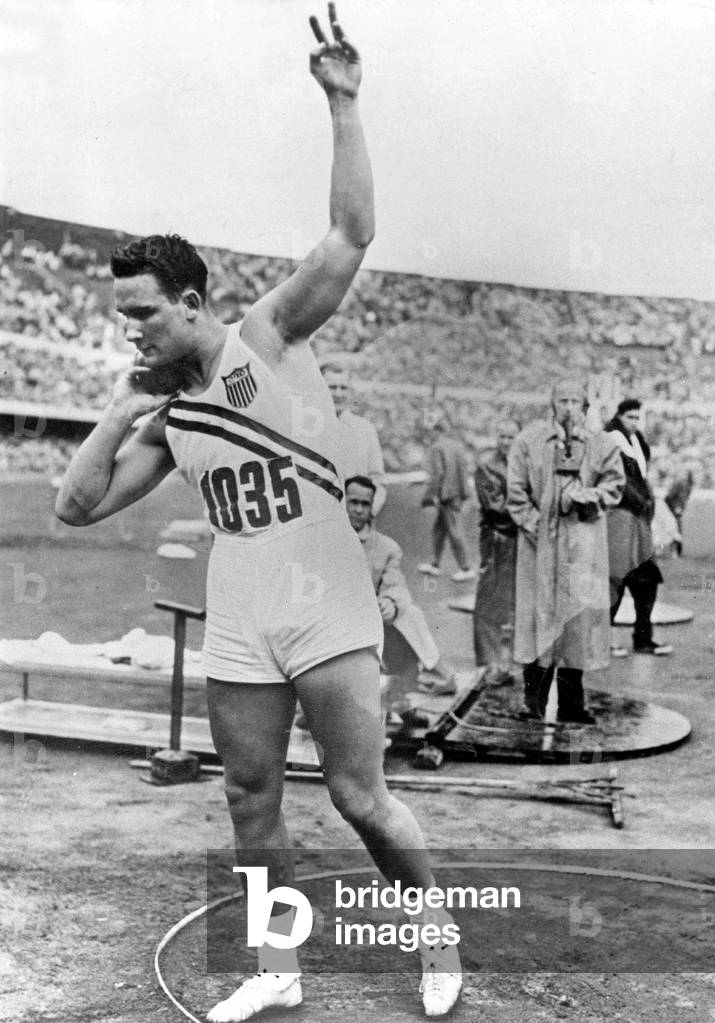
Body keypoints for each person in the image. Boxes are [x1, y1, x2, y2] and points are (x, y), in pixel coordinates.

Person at [55, 8, 461, 1020]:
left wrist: (343, 104)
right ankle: (278, 965)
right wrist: (119, 406)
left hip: (321, 588)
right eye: (123, 316)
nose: (132, 329)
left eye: (144, 312)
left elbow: (351, 235)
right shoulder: (161, 410)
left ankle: (434, 930)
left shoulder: (261, 338)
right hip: (239, 597)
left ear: (192, 302)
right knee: (250, 800)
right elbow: (76, 507)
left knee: (359, 795)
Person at [507, 379, 625, 723]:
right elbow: (515, 491)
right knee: (538, 620)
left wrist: (592, 497)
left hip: (582, 549)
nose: (569, 407)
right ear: (552, 404)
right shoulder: (528, 441)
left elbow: (615, 484)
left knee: (576, 623)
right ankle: (533, 702)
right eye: (563, 400)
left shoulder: (602, 444)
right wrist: (537, 527)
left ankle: (573, 705)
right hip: (539, 550)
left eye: (576, 401)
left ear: (585, 406)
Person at [346, 475, 457, 695]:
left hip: (372, 620)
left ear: (372, 507)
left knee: (409, 612)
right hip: (337, 622)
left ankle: (439, 673)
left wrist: (390, 602)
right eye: (353, 502)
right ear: (344, 503)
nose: (359, 510)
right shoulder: (328, 542)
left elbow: (396, 584)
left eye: (365, 504)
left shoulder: (387, 547)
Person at [605, 399, 673, 656]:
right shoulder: (612, 439)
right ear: (619, 416)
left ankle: (642, 638)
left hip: (637, 518)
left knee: (644, 579)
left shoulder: (634, 441)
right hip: (620, 517)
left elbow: (639, 478)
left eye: (637, 418)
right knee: (617, 578)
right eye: (629, 417)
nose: (634, 423)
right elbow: (618, 481)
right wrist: (643, 501)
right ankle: (607, 640)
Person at [472, 419, 519, 674]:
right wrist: (525, 513)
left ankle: (505, 661)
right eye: (502, 437)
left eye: (511, 437)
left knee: (512, 600)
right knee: (490, 597)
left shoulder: (523, 466)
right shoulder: (487, 465)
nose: (506, 442)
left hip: (518, 538)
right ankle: (487, 660)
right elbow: (495, 507)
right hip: (497, 537)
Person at [322, 360, 387, 514]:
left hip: (355, 520)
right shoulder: (308, 428)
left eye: (343, 388)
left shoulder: (365, 429)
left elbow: (377, 479)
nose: (338, 393)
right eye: (332, 387)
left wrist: (368, 513)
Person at [418, 421, 475, 583]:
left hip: (446, 496)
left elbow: (438, 474)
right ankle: (435, 564)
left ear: (437, 431)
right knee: (439, 529)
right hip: (456, 493)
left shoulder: (436, 447)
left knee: (454, 531)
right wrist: (464, 494)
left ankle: (466, 568)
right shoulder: (457, 446)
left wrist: (430, 496)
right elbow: (464, 471)